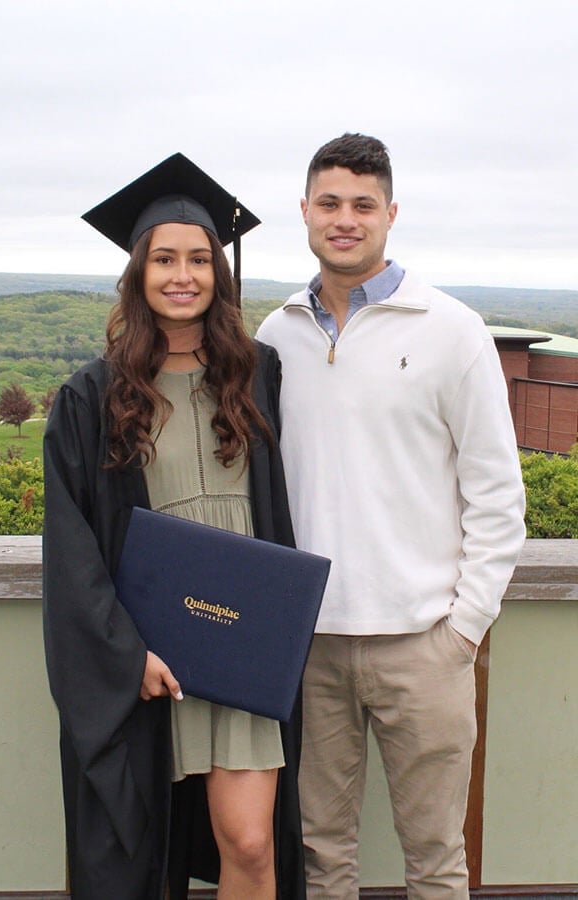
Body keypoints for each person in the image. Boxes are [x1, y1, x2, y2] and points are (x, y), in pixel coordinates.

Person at [257, 133, 526, 900]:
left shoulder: (451, 331)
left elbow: (497, 493)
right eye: (330, 203)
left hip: (425, 647)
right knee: (321, 857)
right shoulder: (276, 336)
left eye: (363, 205)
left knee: (436, 860)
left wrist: (464, 628)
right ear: (305, 210)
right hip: (307, 649)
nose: (346, 219)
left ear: (391, 214)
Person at [42, 153, 306, 900]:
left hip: (244, 647)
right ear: (139, 272)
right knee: (143, 856)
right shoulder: (92, 397)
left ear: (219, 274)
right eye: (164, 259)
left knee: (251, 844)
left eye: (198, 258)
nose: (182, 274)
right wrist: (127, 654)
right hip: (150, 656)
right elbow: (72, 548)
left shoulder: (260, 374)